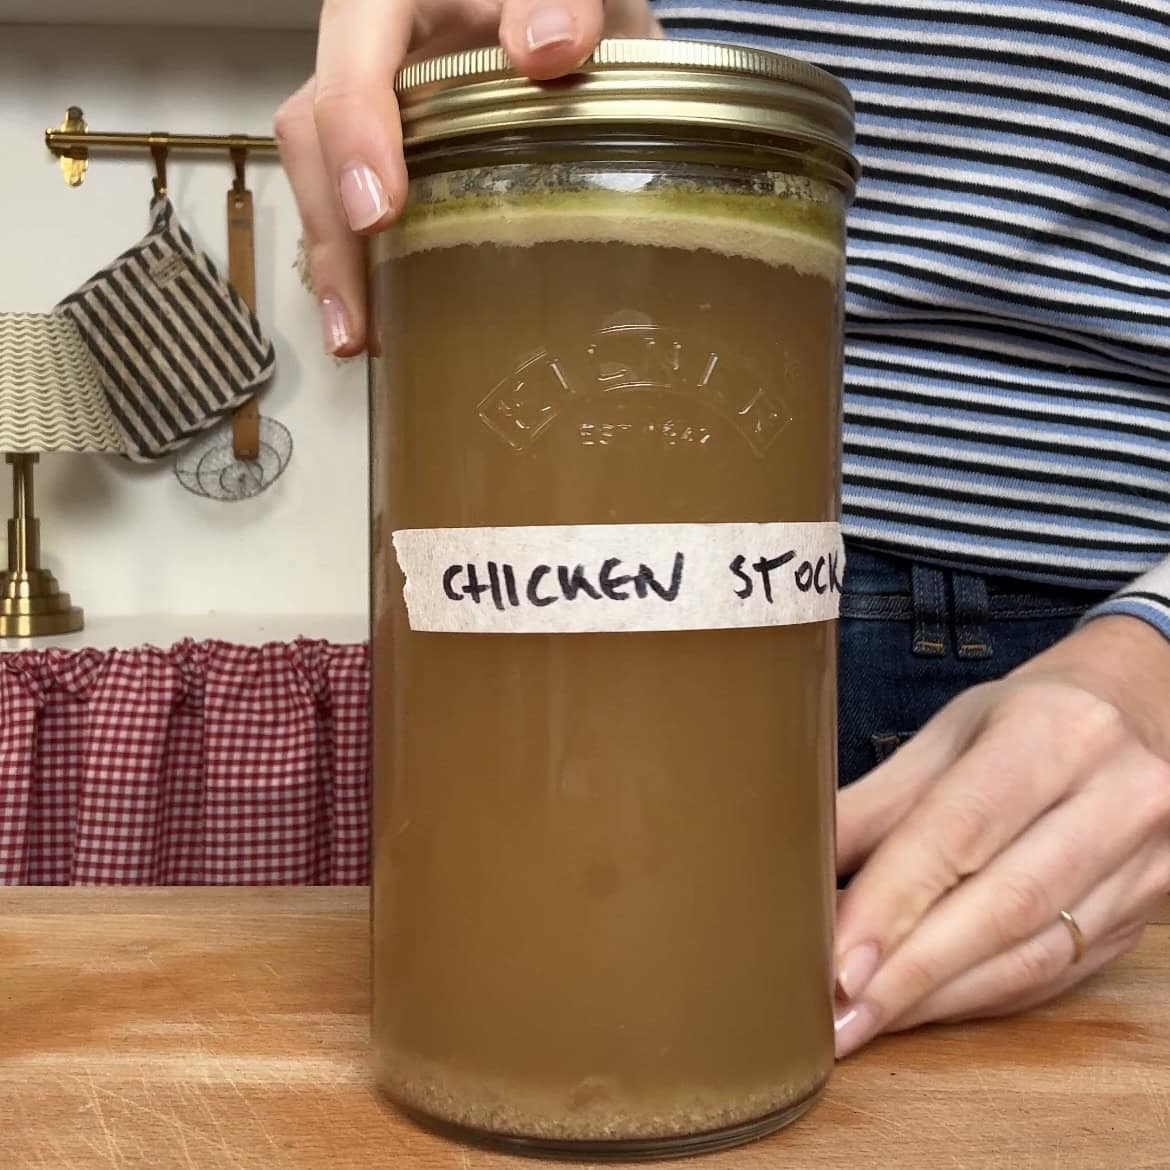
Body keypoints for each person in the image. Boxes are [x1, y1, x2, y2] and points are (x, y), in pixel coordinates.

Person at [276, 0, 1170, 1059]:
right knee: (508, 1025)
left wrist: (1150, 664)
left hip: (1092, 682)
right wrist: (510, 91)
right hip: (563, 582)